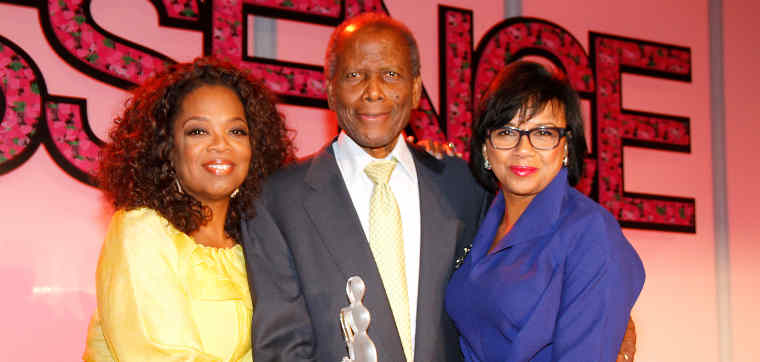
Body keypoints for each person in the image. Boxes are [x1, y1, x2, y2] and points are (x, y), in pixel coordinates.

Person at [241, 13, 490, 362]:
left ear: (416, 89)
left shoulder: (465, 187)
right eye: (355, 75)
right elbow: (282, 348)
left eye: (391, 75)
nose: (373, 91)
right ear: (330, 90)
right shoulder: (278, 201)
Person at [83, 57, 294, 361]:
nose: (221, 145)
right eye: (198, 132)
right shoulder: (142, 229)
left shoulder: (254, 246)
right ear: (167, 147)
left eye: (237, 131)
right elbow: (159, 355)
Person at [445, 61, 645, 361]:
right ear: (486, 148)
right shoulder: (483, 223)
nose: (523, 149)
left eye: (542, 132)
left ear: (565, 146)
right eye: (506, 131)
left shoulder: (590, 233)